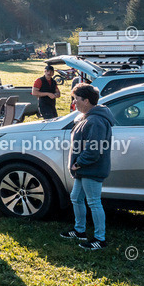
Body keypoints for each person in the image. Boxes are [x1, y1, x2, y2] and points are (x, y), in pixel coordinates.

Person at [61, 83, 115, 251]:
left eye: (76, 99)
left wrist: (78, 163)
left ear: (86, 100)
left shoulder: (96, 120)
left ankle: (100, 239)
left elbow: (94, 149)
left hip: (91, 169)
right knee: (76, 198)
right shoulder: (87, 117)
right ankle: (80, 230)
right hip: (83, 170)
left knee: (94, 202)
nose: (73, 103)